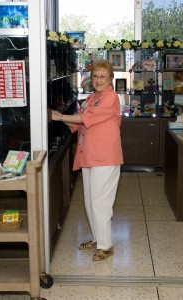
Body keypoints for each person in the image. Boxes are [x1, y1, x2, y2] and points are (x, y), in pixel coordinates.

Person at [49, 59, 123, 261]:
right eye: (96, 76)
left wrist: (58, 116)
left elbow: (84, 119)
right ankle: (98, 239)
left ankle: (106, 246)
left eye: (103, 77)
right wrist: (61, 118)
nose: (98, 80)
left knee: (100, 202)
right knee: (90, 202)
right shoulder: (92, 98)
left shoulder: (111, 98)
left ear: (110, 79)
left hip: (105, 158)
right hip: (90, 156)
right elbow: (78, 123)